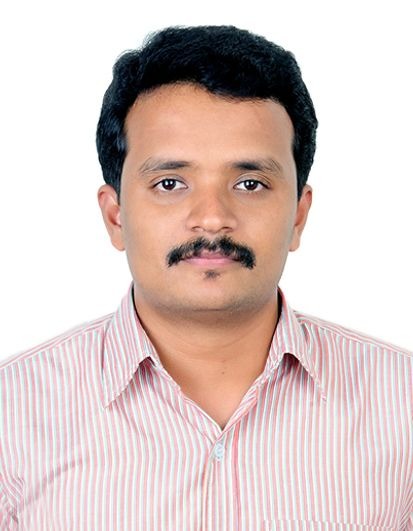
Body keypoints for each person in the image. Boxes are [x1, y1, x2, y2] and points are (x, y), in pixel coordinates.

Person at [0, 25, 411, 531]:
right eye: (170, 183)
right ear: (115, 216)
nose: (213, 218)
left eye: (250, 183)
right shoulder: (12, 415)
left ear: (298, 215)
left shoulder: (403, 405)